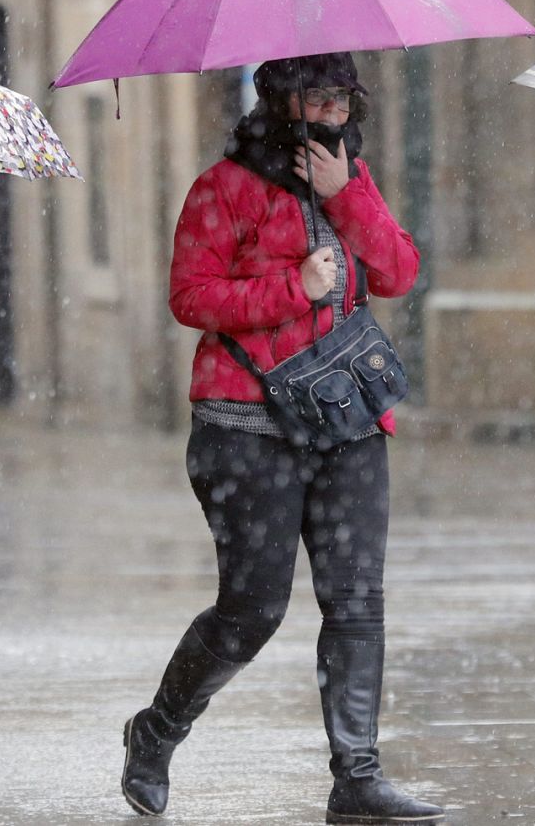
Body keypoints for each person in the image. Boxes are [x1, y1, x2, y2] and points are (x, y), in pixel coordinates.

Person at [120, 52, 443, 824]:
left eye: (343, 99)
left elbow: (399, 273)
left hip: (348, 420)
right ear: (280, 100)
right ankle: (156, 732)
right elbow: (190, 297)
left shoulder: (349, 180)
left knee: (359, 601)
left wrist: (349, 196)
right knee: (252, 609)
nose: (334, 113)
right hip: (245, 427)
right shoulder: (223, 188)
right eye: (320, 98)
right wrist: (291, 289)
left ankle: (357, 776)